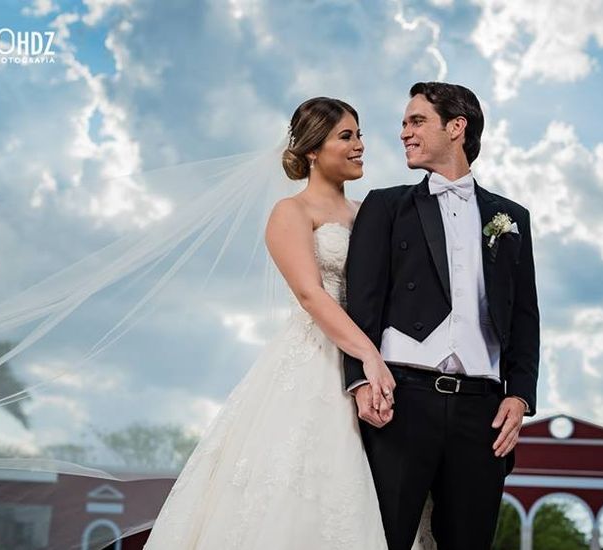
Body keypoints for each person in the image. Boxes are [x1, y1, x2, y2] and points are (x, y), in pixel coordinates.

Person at [143, 97, 418, 549]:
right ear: (313, 150)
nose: (360, 146)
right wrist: (367, 354)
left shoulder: (372, 212)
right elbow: (311, 294)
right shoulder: (290, 213)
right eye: (346, 136)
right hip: (317, 362)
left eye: (360, 135)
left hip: (378, 369)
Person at [344, 81, 540, 550]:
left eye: (416, 121)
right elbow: (362, 304)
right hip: (401, 401)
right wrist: (359, 382)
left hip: (483, 411)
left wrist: (521, 397)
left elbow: (526, 315)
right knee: (382, 540)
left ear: (457, 127)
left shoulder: (511, 218)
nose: (404, 133)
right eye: (404, 123)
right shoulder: (386, 206)